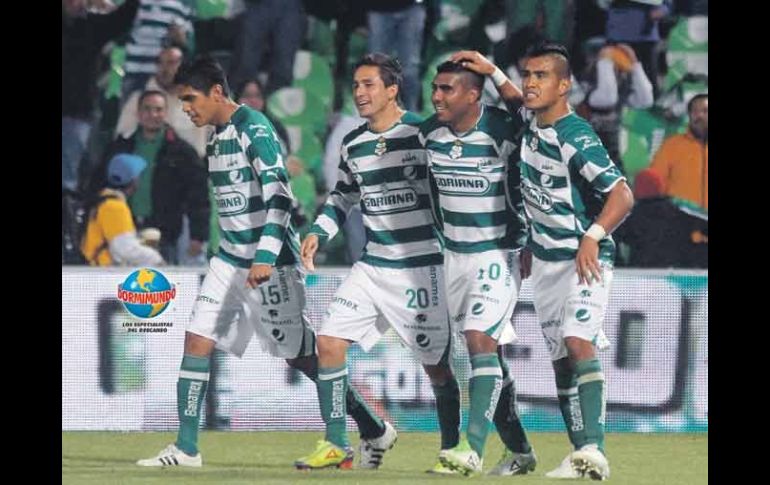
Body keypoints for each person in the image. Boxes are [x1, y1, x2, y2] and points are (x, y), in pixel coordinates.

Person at [136, 55, 384, 468]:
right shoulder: (215, 137)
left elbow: (280, 198)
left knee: (301, 354)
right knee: (196, 338)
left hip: (270, 262)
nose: (186, 107)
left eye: (191, 98)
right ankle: (186, 448)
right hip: (229, 259)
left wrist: (265, 256)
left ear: (217, 92)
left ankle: (371, 425)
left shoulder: (255, 129)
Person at [294, 53, 461, 473]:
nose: (360, 93)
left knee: (437, 368)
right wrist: (318, 231)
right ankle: (336, 442)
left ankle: (453, 449)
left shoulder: (424, 134)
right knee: (328, 342)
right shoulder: (353, 143)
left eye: (369, 84)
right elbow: (343, 196)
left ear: (392, 90)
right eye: (355, 85)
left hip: (422, 267)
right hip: (373, 265)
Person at [517, 42, 633, 479]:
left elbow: (623, 195)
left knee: (579, 341)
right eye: (528, 75)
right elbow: (512, 97)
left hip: (585, 257)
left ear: (564, 86)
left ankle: (595, 450)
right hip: (545, 263)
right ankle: (580, 455)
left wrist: (593, 235)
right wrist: (490, 69)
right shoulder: (529, 125)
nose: (530, 83)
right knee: (562, 360)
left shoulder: (576, 135)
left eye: (541, 76)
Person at [420, 61, 536, 476]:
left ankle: (471, 449)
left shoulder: (503, 128)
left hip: (498, 254)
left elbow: (536, 120)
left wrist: (494, 72)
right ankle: (521, 452)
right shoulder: (429, 134)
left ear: (473, 95)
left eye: (447, 89)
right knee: (492, 360)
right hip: (452, 256)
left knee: (477, 341)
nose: (437, 96)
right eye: (435, 88)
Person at [102, 90, 209, 264]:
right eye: (147, 109)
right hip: (124, 233)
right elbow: (102, 186)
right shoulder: (120, 147)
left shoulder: (182, 152)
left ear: (166, 113)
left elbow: (199, 197)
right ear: (138, 113)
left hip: (166, 236)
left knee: (165, 288)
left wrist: (198, 235)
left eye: (158, 109)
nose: (153, 114)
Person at [80, 153, 164, 267]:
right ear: (133, 180)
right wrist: (155, 259)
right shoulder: (115, 207)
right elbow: (124, 249)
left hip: (96, 269)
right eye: (138, 175)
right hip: (103, 272)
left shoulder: (103, 200)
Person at [648, 93, 708, 210]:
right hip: (681, 223)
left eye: (705, 111)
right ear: (689, 115)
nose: (699, 116)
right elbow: (655, 185)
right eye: (695, 111)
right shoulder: (671, 145)